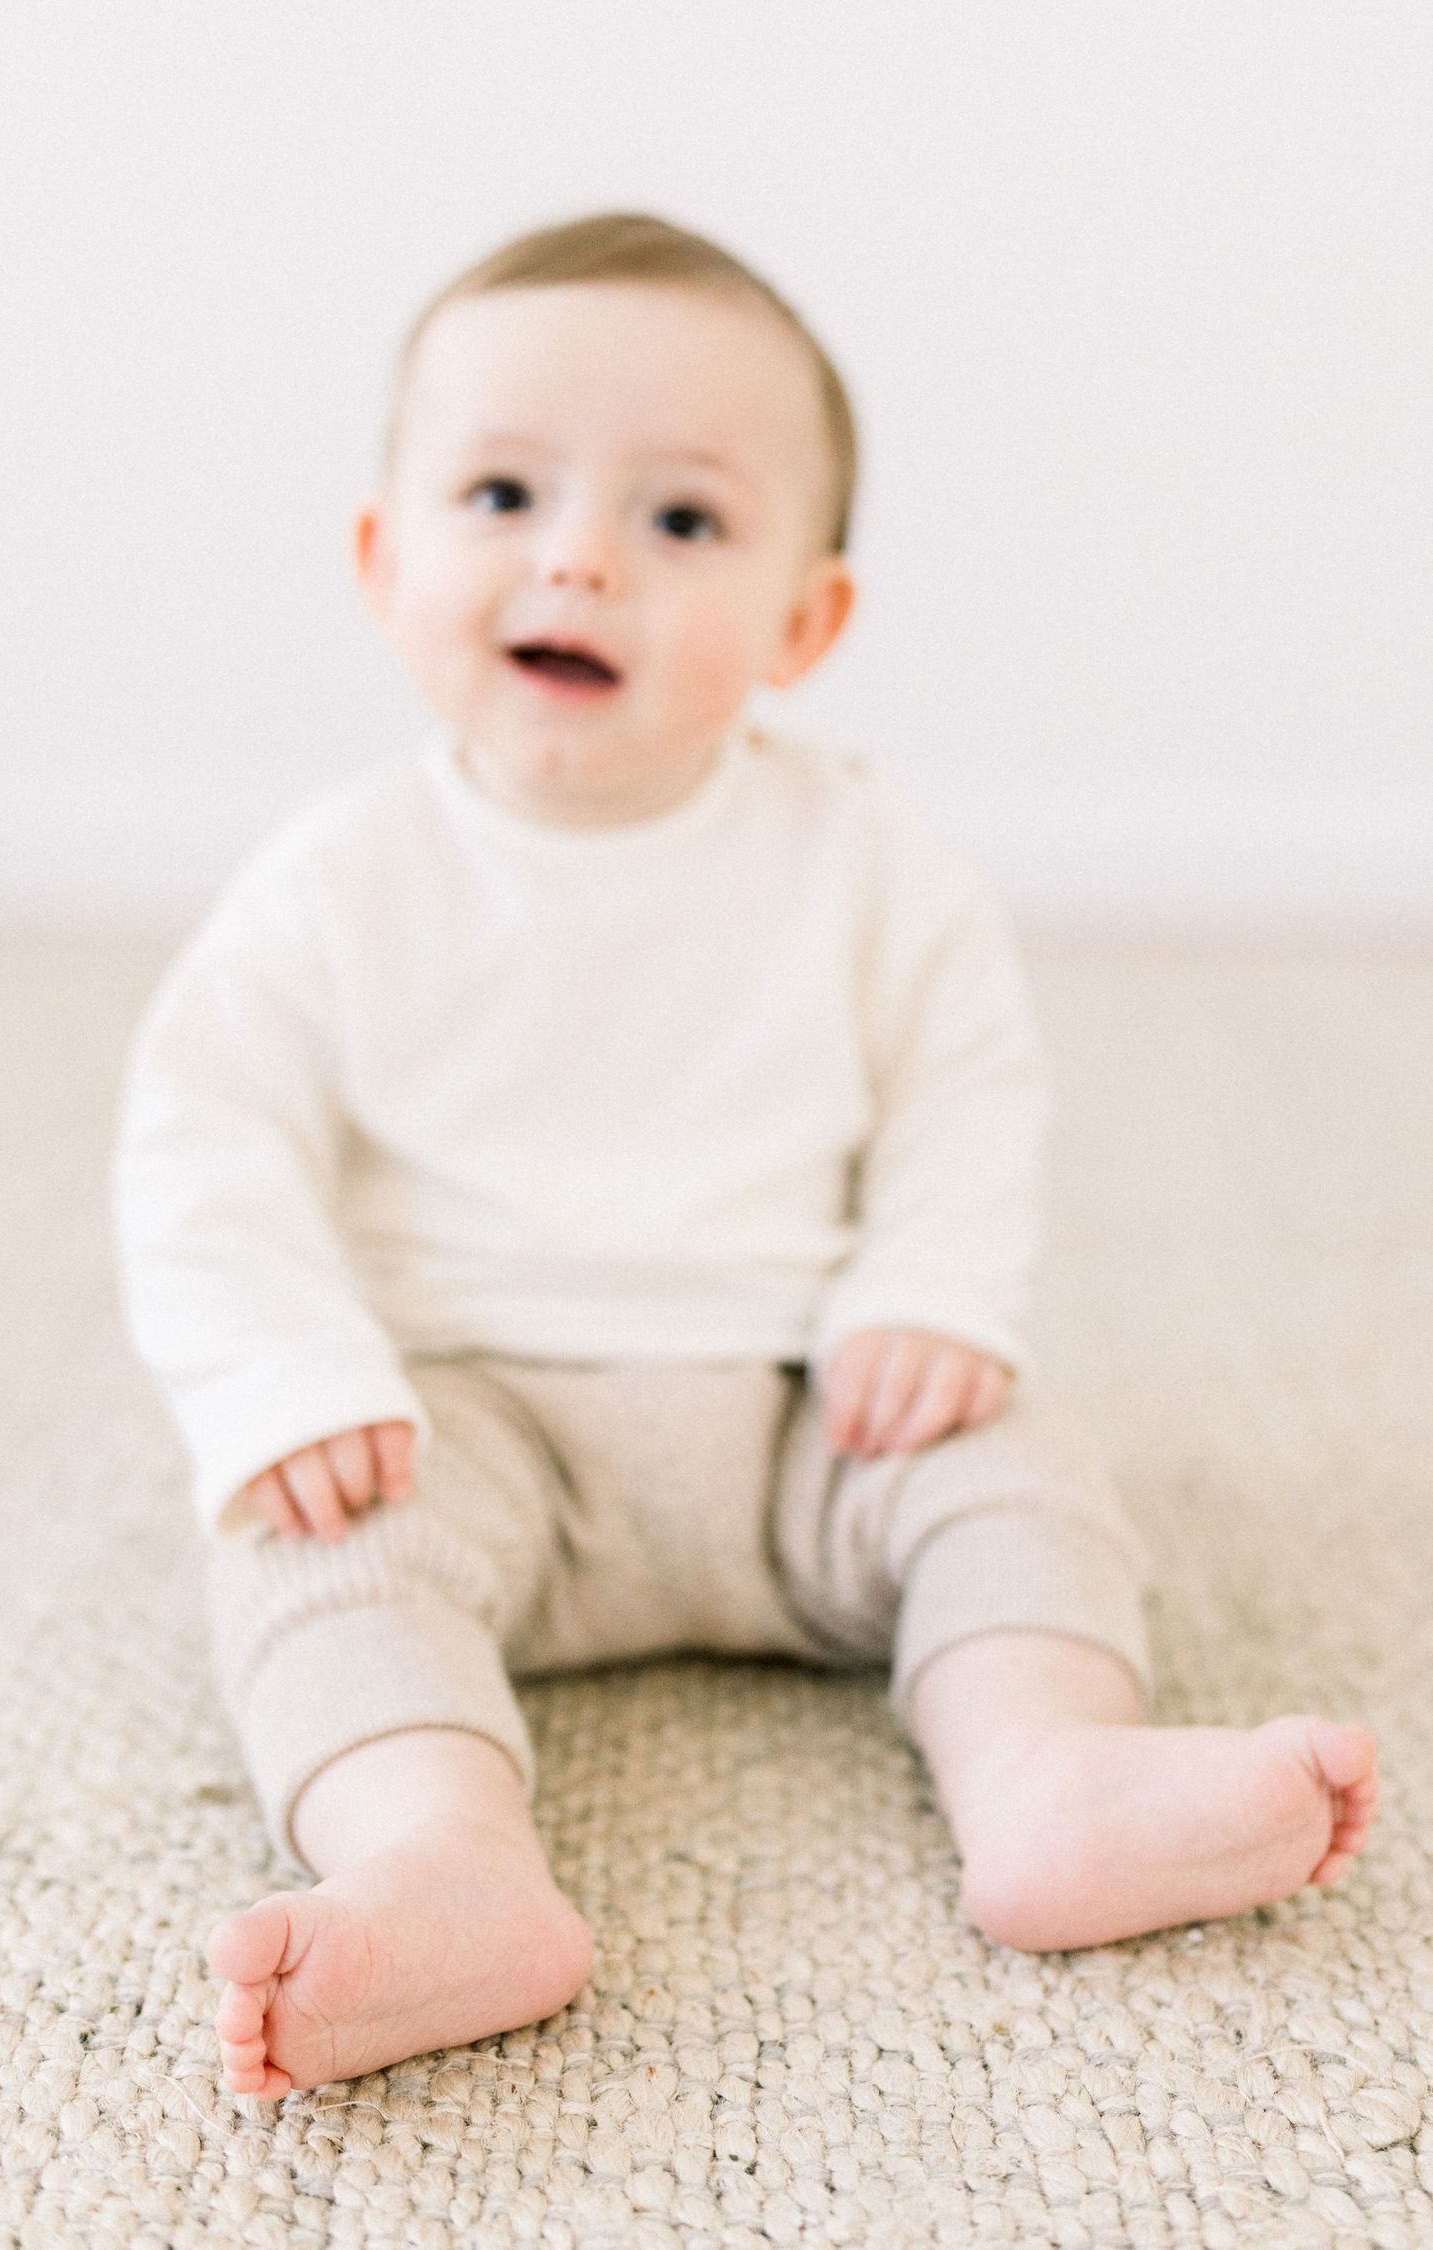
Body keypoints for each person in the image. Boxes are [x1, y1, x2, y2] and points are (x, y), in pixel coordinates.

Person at [110, 211, 1379, 2102]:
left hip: (809, 1407)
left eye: (683, 518)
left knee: (1010, 1464)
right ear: (384, 562)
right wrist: (289, 1380)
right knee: (314, 1559)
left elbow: (966, 1085)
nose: (577, 556)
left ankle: (1047, 1770)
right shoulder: (336, 886)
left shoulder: (866, 864)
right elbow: (204, 1147)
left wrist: (926, 1296)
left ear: (805, 622)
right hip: (460, 1417)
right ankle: (438, 1860)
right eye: (502, 492)